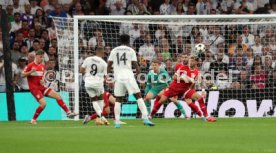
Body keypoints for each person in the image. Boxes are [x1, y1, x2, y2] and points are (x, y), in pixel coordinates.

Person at [107, 34, 154, 128]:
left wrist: (109, 78)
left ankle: (117, 122)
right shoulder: (130, 50)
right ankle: (145, 118)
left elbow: (109, 65)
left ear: (119, 40)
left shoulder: (114, 50)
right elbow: (136, 65)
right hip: (128, 75)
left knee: (118, 99)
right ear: (128, 41)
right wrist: (141, 79)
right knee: (138, 96)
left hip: (118, 77)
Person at [150, 55, 216, 122]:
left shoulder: (196, 71)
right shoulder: (183, 68)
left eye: (192, 61)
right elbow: (174, 77)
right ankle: (151, 115)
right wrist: (183, 78)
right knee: (161, 101)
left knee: (199, 98)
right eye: (190, 60)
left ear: (196, 62)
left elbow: (201, 81)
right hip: (174, 88)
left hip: (185, 90)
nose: (190, 62)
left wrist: (203, 90)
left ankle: (207, 117)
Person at [22, 50, 77, 124]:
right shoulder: (30, 65)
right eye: (40, 57)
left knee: (58, 96)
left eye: (42, 57)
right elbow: (22, 75)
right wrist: (31, 72)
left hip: (42, 87)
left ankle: (68, 112)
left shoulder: (42, 66)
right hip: (34, 89)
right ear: (36, 56)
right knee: (43, 104)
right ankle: (33, 120)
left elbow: (42, 77)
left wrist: (43, 80)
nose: (41, 59)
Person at [80, 47, 109, 125]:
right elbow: (106, 77)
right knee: (100, 99)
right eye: (103, 51)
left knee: (94, 100)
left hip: (88, 83)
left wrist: (87, 74)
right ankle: (101, 117)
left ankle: (99, 119)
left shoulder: (88, 59)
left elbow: (81, 71)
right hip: (98, 84)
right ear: (101, 52)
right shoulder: (104, 63)